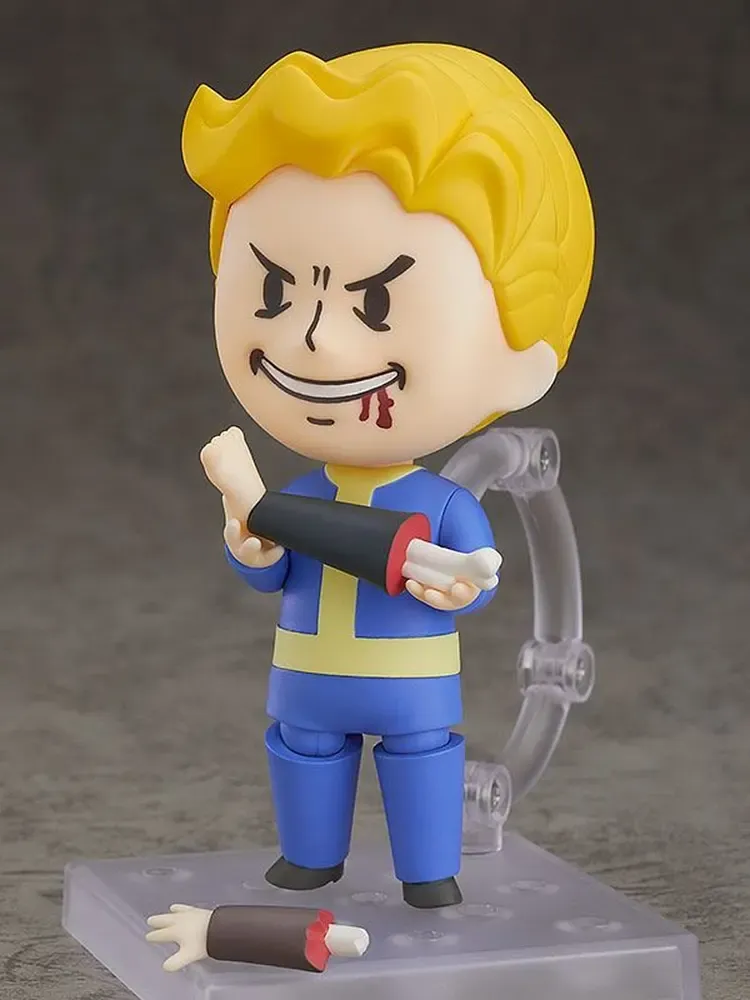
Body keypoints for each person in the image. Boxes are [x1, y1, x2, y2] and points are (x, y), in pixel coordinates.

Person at [182, 43, 594, 909]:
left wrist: (463, 585)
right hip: (308, 676)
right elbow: (272, 567)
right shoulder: (297, 499)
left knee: (421, 758)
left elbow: (473, 580)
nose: (312, 340)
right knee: (305, 749)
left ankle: (428, 871)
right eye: (274, 293)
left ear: (524, 355)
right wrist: (255, 548)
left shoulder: (442, 504)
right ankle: (310, 857)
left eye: (373, 303)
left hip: (412, 684)